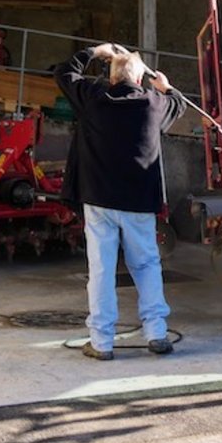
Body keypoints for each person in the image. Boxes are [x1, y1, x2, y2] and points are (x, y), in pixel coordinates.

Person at [54, 42, 185, 360]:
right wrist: (166, 86)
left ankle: (101, 342)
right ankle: (156, 333)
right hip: (139, 203)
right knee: (146, 265)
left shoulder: (93, 98)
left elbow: (63, 72)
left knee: (101, 269)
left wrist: (94, 52)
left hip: (99, 201)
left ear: (111, 79)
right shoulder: (154, 104)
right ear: (140, 81)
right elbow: (178, 104)